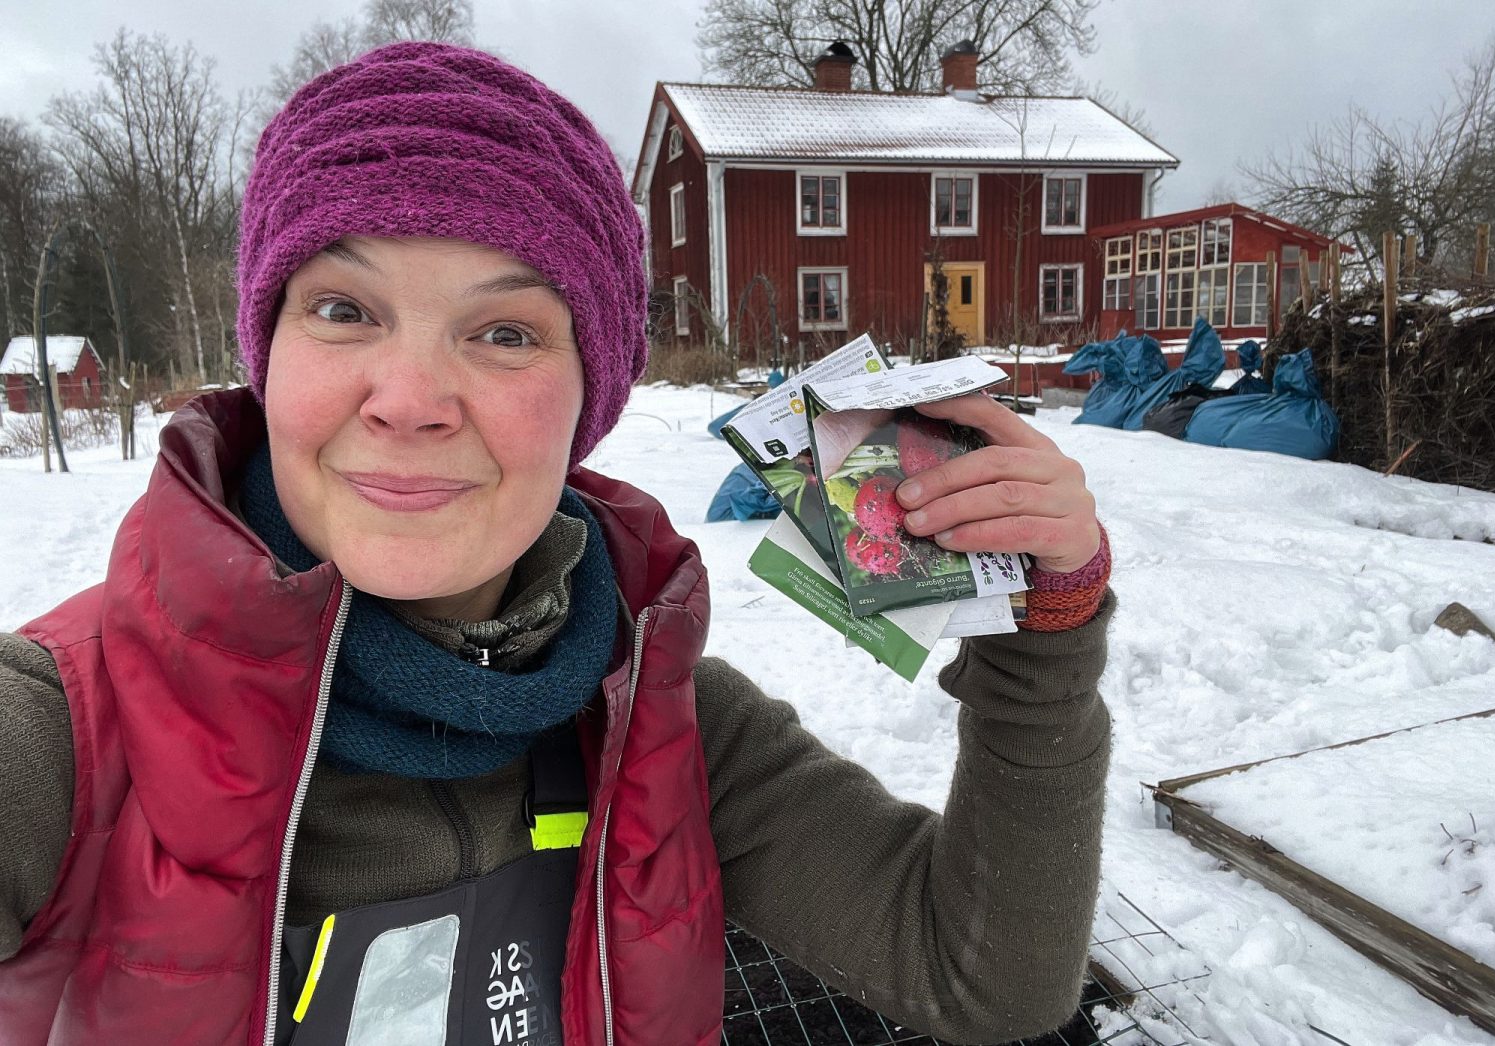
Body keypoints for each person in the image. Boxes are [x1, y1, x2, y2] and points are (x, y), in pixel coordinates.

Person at [0, 42, 1113, 1046]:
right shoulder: (63, 737)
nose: (410, 399)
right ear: (267, 348)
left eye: (504, 331)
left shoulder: (662, 723)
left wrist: (1040, 636)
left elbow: (982, 977)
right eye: (344, 309)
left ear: (592, 396)